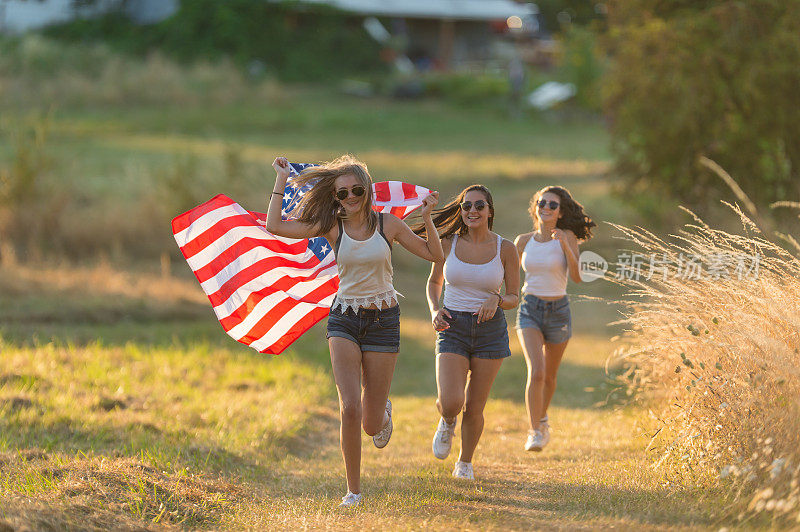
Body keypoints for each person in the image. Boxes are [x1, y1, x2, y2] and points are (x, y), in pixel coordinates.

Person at [266, 155, 444, 507]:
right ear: (335, 196)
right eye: (342, 192)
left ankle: (382, 412)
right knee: (350, 409)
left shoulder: (388, 224)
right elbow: (275, 226)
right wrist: (281, 179)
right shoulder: (332, 225)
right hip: (344, 319)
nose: (349, 196)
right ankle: (353, 491)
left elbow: (434, 254)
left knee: (370, 422)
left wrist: (426, 218)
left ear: (367, 190)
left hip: (383, 321)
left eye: (356, 190)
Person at [415, 185, 519, 480]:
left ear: (489, 211)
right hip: (453, 326)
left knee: (475, 406)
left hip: (490, 330)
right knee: (451, 400)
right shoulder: (447, 244)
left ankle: (465, 463)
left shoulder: (506, 249)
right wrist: (435, 310)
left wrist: (497, 299)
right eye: (466, 206)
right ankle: (447, 420)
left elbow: (514, 296)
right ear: (461, 211)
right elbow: (434, 284)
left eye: (479, 206)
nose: (472, 211)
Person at [514, 186, 595, 452]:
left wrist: (564, 245)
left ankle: (543, 417)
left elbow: (577, 276)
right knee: (536, 372)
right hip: (529, 309)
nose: (546, 208)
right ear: (535, 207)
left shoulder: (568, 236)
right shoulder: (523, 242)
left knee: (549, 377)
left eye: (552, 205)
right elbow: (509, 276)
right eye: (542, 203)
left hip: (558, 310)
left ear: (560, 213)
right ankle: (535, 431)